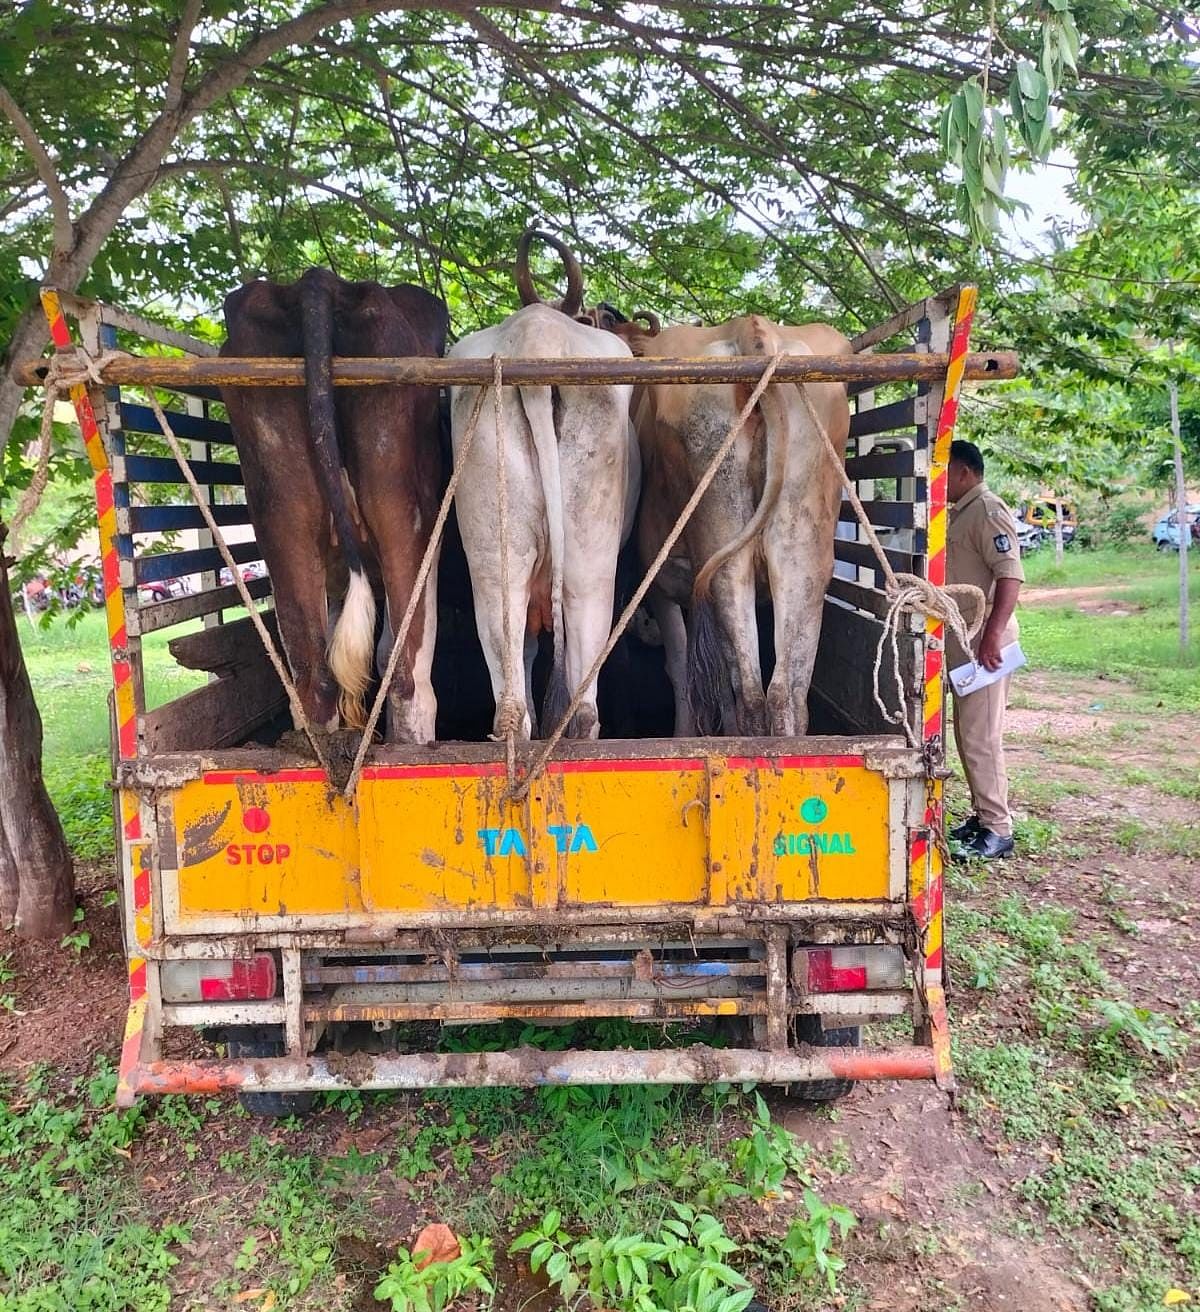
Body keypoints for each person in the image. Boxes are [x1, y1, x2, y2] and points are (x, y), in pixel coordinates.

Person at [945, 439, 1024, 859]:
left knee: (982, 737)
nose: (940, 481)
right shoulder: (963, 513)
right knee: (968, 733)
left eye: (946, 471)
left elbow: (1009, 576)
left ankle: (998, 828)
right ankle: (982, 816)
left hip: (985, 641)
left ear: (964, 472)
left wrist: (991, 636)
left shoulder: (989, 510)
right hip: (967, 638)